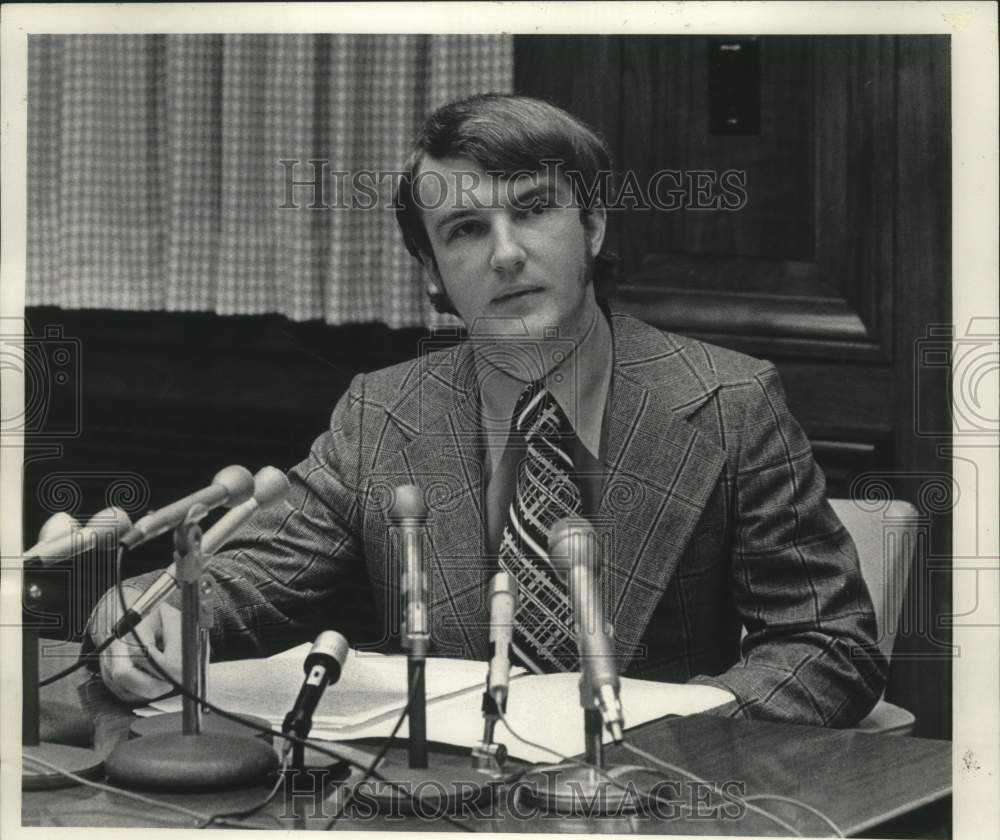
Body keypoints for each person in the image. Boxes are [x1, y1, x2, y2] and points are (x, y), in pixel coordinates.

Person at [86, 93, 887, 726]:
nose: (506, 253)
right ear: (433, 273)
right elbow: (253, 575)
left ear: (595, 225)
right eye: (466, 229)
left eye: (534, 209)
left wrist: (684, 721)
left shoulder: (731, 402)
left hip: (658, 802)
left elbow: (830, 642)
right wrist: (156, 610)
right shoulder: (381, 413)